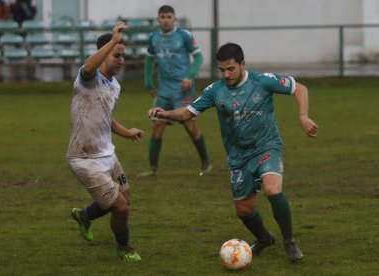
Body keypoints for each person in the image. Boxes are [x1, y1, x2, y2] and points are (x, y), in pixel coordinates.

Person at [148, 43, 318, 262]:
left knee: (272, 189)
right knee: (244, 211)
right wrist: (164, 113)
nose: (226, 74)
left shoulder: (262, 80)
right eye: (222, 70)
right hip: (238, 157)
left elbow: (300, 88)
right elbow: (187, 113)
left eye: (231, 69)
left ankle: (289, 242)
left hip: (267, 146)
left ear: (242, 65)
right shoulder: (215, 91)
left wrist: (303, 116)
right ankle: (265, 239)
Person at [67, 22, 143, 261]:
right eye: (116, 55)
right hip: (83, 157)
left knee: (125, 200)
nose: (121, 60)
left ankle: (85, 216)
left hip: (107, 153)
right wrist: (112, 40)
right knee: (120, 206)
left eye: (123, 56)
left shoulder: (115, 86)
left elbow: (105, 118)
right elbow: (89, 67)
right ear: (103, 54)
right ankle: (124, 248)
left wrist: (127, 131)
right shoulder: (87, 79)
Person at [141, 5, 212, 177]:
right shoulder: (154, 37)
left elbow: (199, 57)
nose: (166, 20)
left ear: (174, 19)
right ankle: (152, 169)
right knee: (157, 124)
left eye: (169, 17)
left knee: (189, 124)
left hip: (183, 89)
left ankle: (206, 162)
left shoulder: (184, 35)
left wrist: (189, 76)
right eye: (163, 17)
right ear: (158, 19)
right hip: (164, 90)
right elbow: (150, 60)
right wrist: (148, 82)